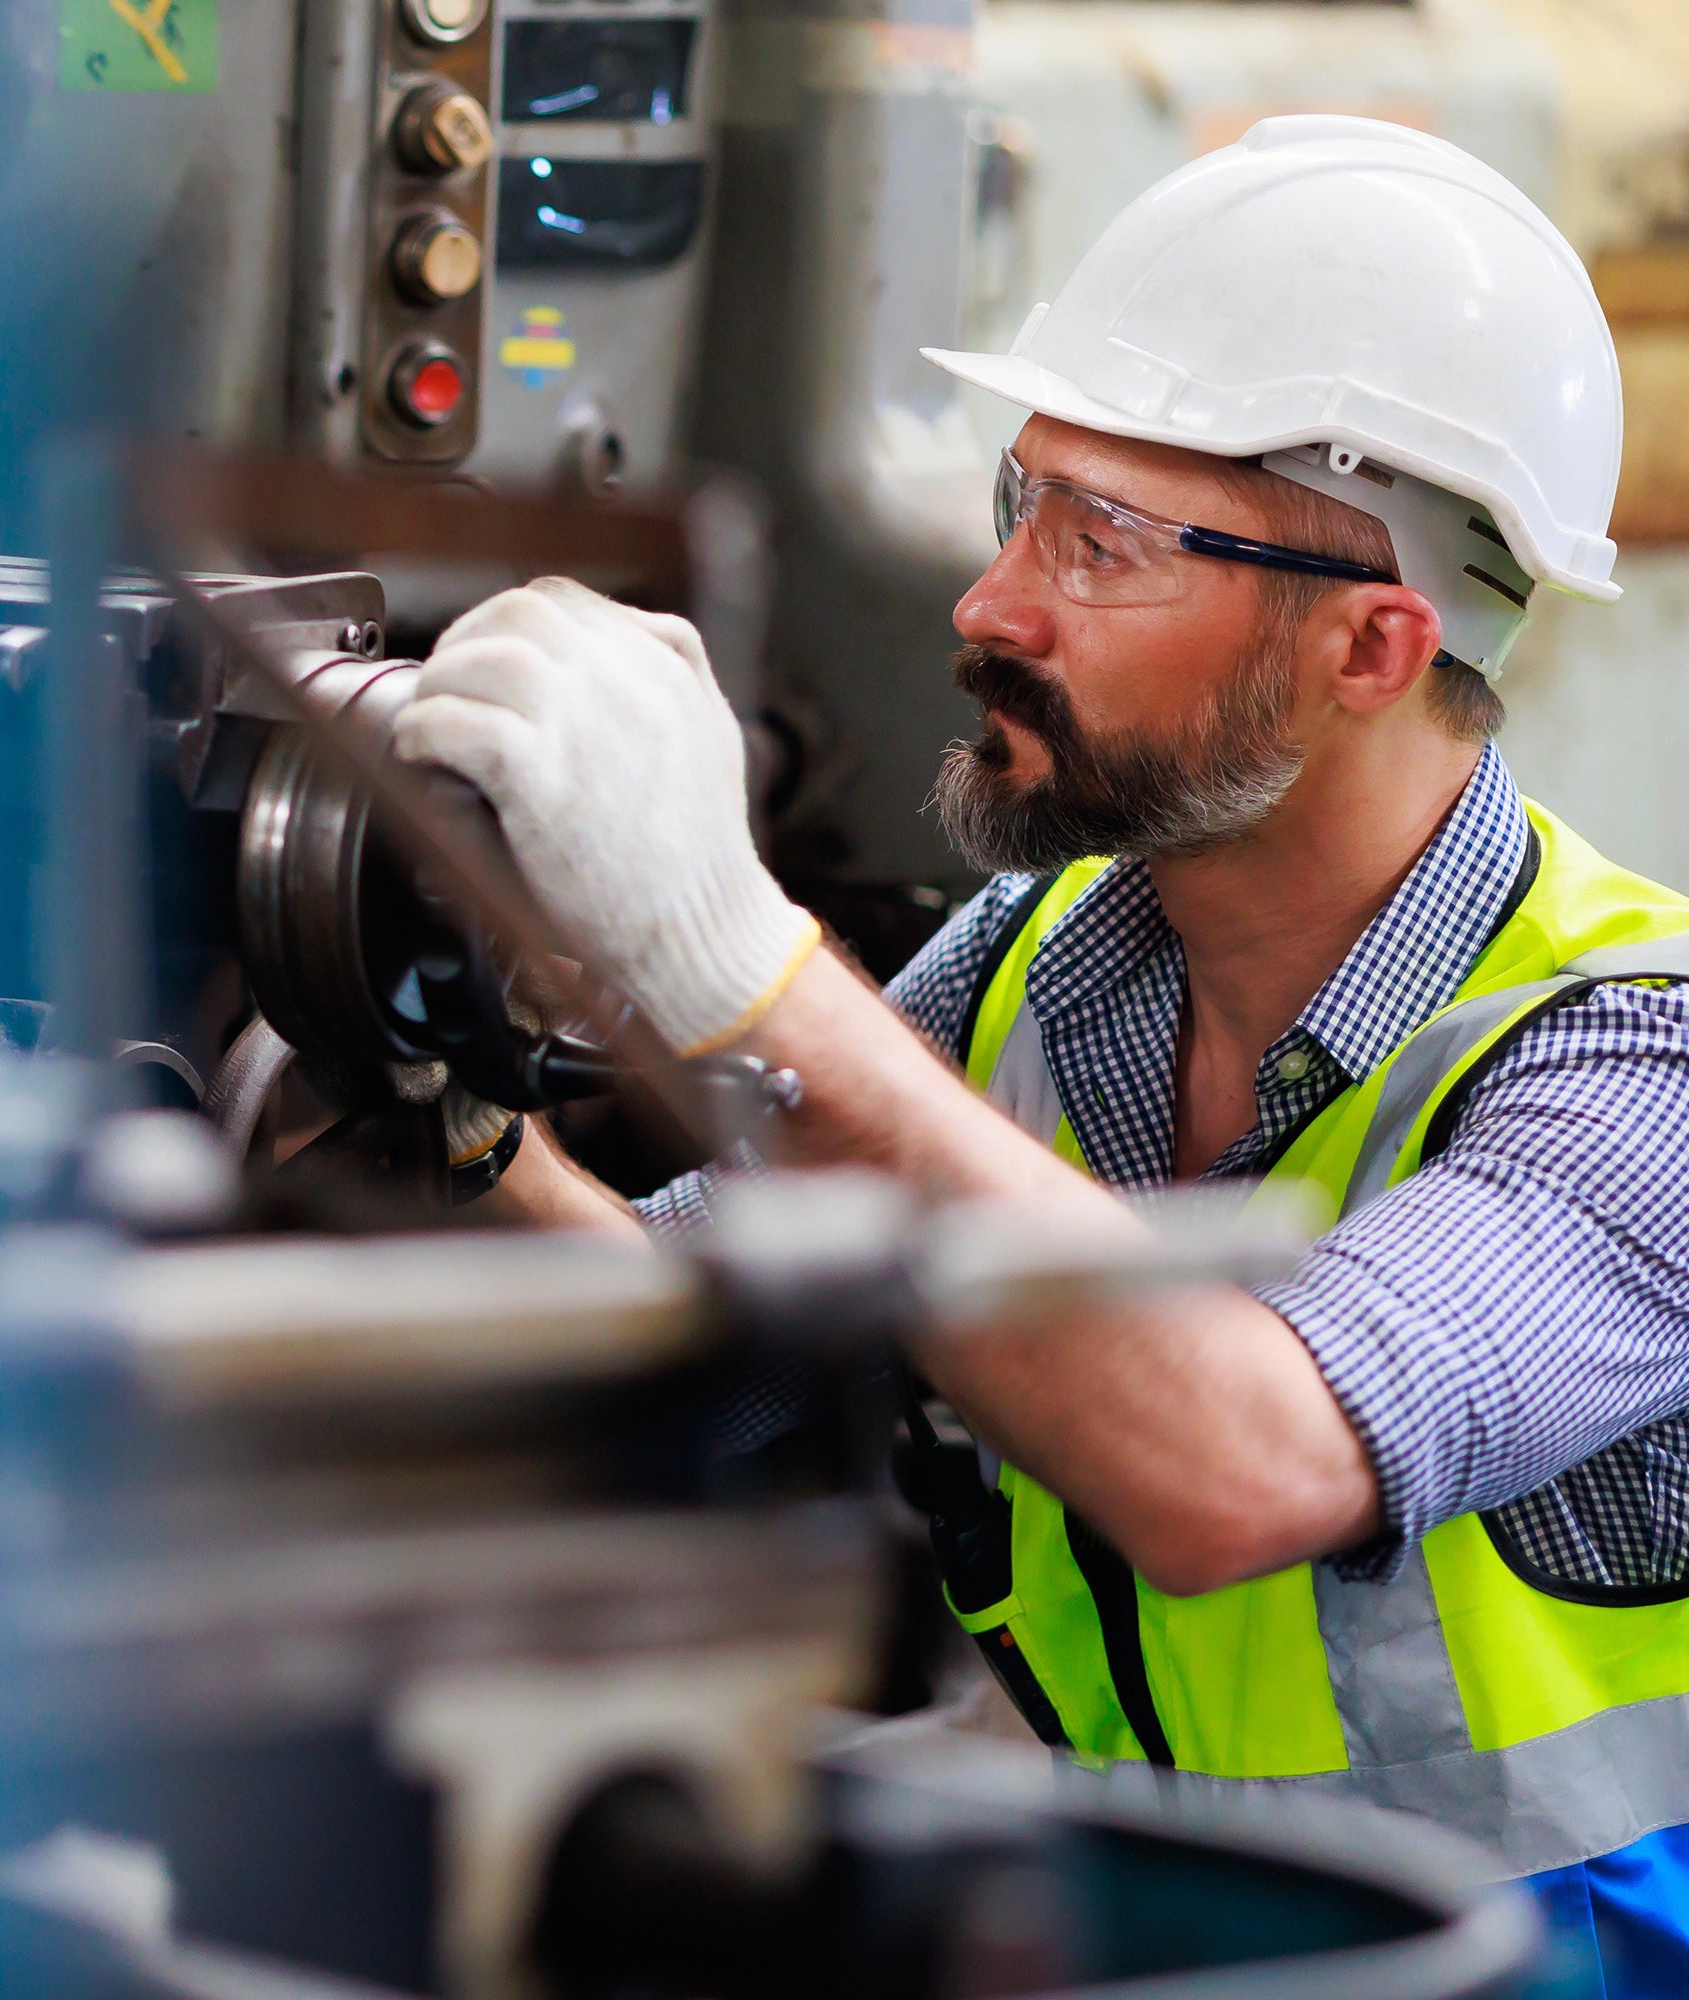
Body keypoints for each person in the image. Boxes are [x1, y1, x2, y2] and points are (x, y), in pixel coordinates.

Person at [393, 117, 1689, 1994]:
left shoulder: (1633, 1066)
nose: (991, 606)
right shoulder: (1043, 976)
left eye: (1101, 545)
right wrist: (427, 1092)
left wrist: (736, 960)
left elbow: (1240, 1465)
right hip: (1195, 1955)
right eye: (1022, 506)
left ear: (1373, 647)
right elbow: (685, 1352)